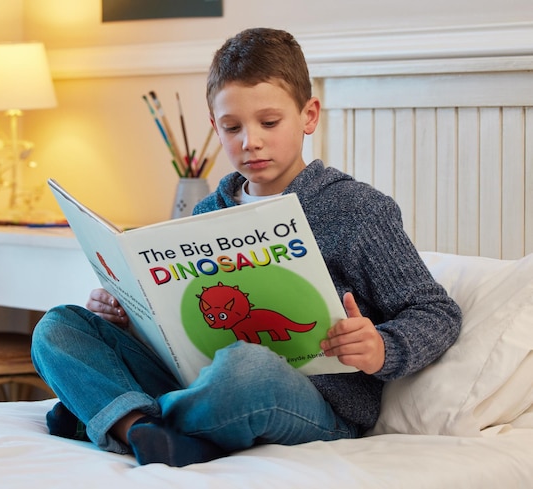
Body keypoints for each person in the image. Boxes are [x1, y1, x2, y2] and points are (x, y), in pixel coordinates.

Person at [31, 27, 462, 467]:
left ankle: (113, 414)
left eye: (269, 123)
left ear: (309, 115)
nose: (250, 141)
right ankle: (143, 431)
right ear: (214, 126)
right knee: (58, 328)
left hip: (305, 398)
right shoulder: (206, 212)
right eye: (231, 127)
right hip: (199, 379)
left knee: (246, 367)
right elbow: (179, 326)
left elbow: (436, 312)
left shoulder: (358, 209)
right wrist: (126, 317)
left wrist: (382, 347)